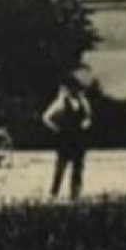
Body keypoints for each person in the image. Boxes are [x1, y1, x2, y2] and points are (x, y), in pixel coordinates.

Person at [42, 71, 93, 200]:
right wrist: (56, 128)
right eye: (73, 87)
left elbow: (88, 117)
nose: (75, 90)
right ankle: (54, 193)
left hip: (78, 139)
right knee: (61, 167)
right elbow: (46, 117)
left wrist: (85, 124)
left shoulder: (83, 102)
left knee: (78, 167)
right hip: (65, 139)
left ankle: (75, 194)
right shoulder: (61, 102)